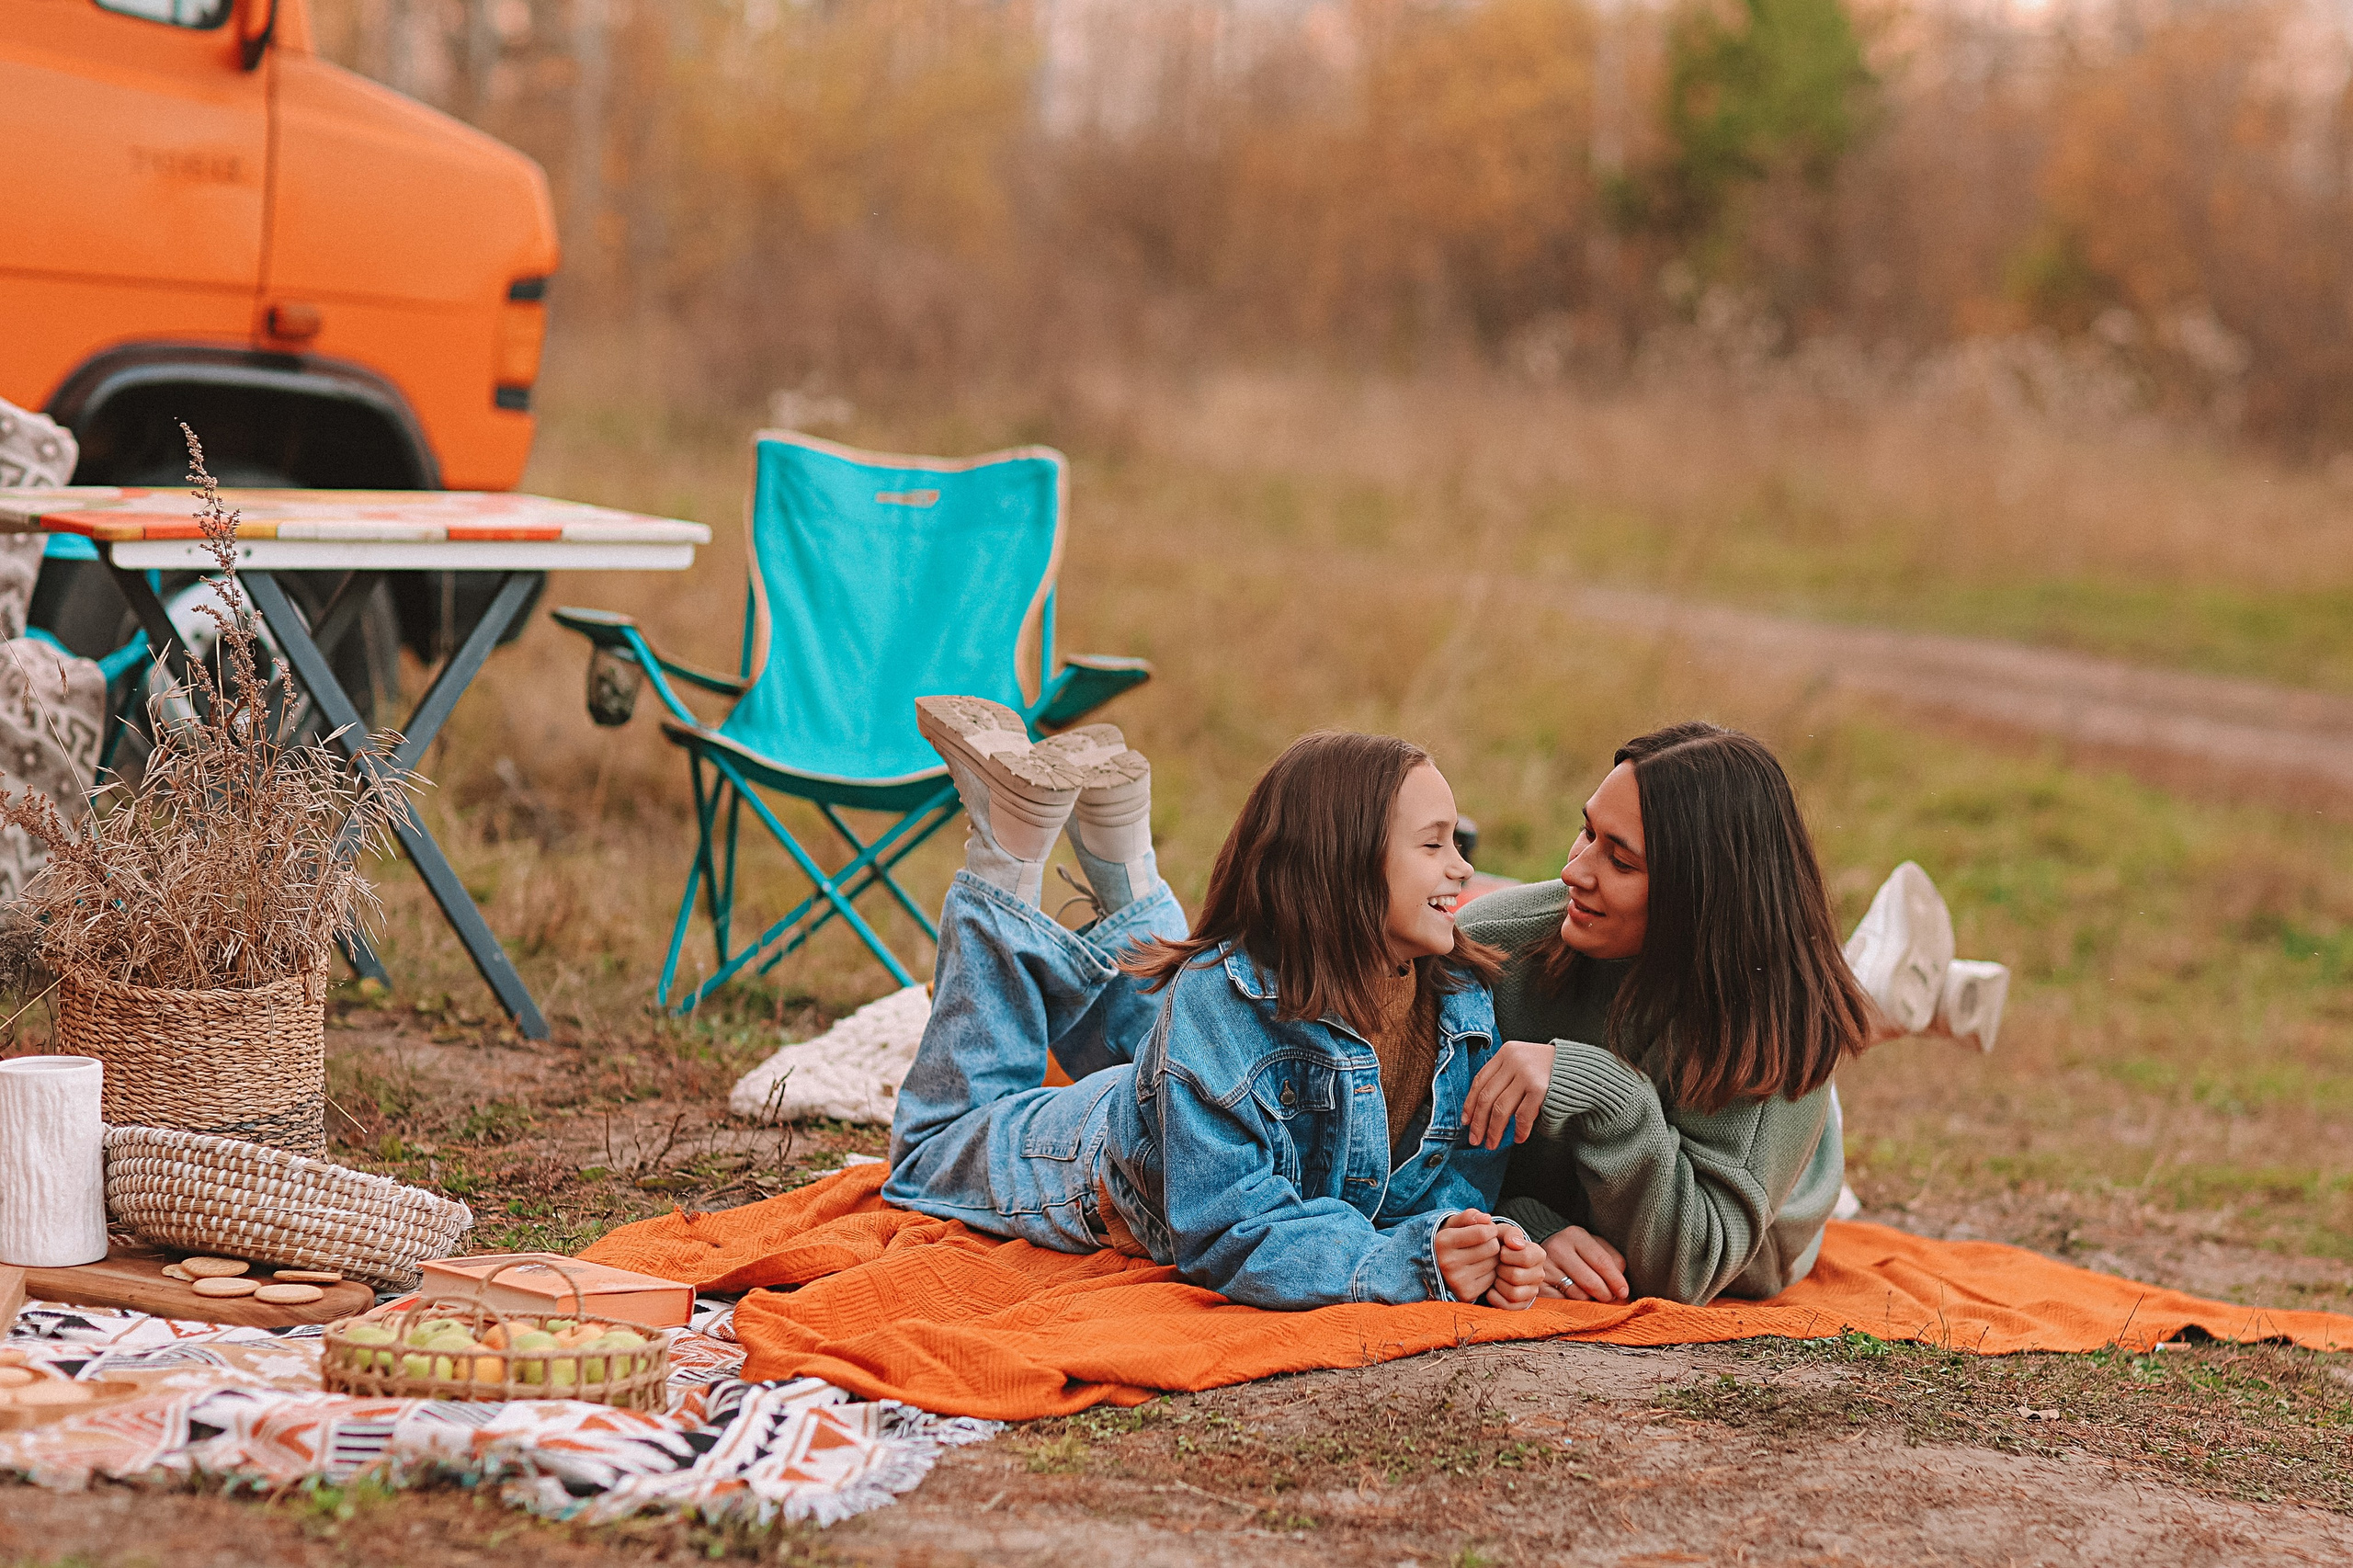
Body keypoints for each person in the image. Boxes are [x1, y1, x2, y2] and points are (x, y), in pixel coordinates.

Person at [883, 698, 1549, 1311]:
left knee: (1199, 1022)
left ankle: (1123, 857)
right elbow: (1229, 1230)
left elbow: (1452, 1183)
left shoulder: (1460, 1001)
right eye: (1434, 844)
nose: (1463, 868)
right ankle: (1008, 855)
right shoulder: (1223, 998)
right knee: (931, 1146)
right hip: (1103, 1162)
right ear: (1340, 864)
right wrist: (1399, 1261)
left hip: (1199, 1098)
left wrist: (1473, 1242)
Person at [1456, 721, 2006, 1307]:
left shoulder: (1776, 1024)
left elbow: (1693, 1264)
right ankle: (1868, 992)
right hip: (1629, 1155)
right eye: (1586, 832)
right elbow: (1397, 1152)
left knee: (1816, 1033)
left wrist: (1600, 1089)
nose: (1574, 872)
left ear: (1700, 894)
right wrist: (1520, 1229)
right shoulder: (1496, 942)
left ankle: (1863, 995)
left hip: (1763, 1201)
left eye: (1621, 862)